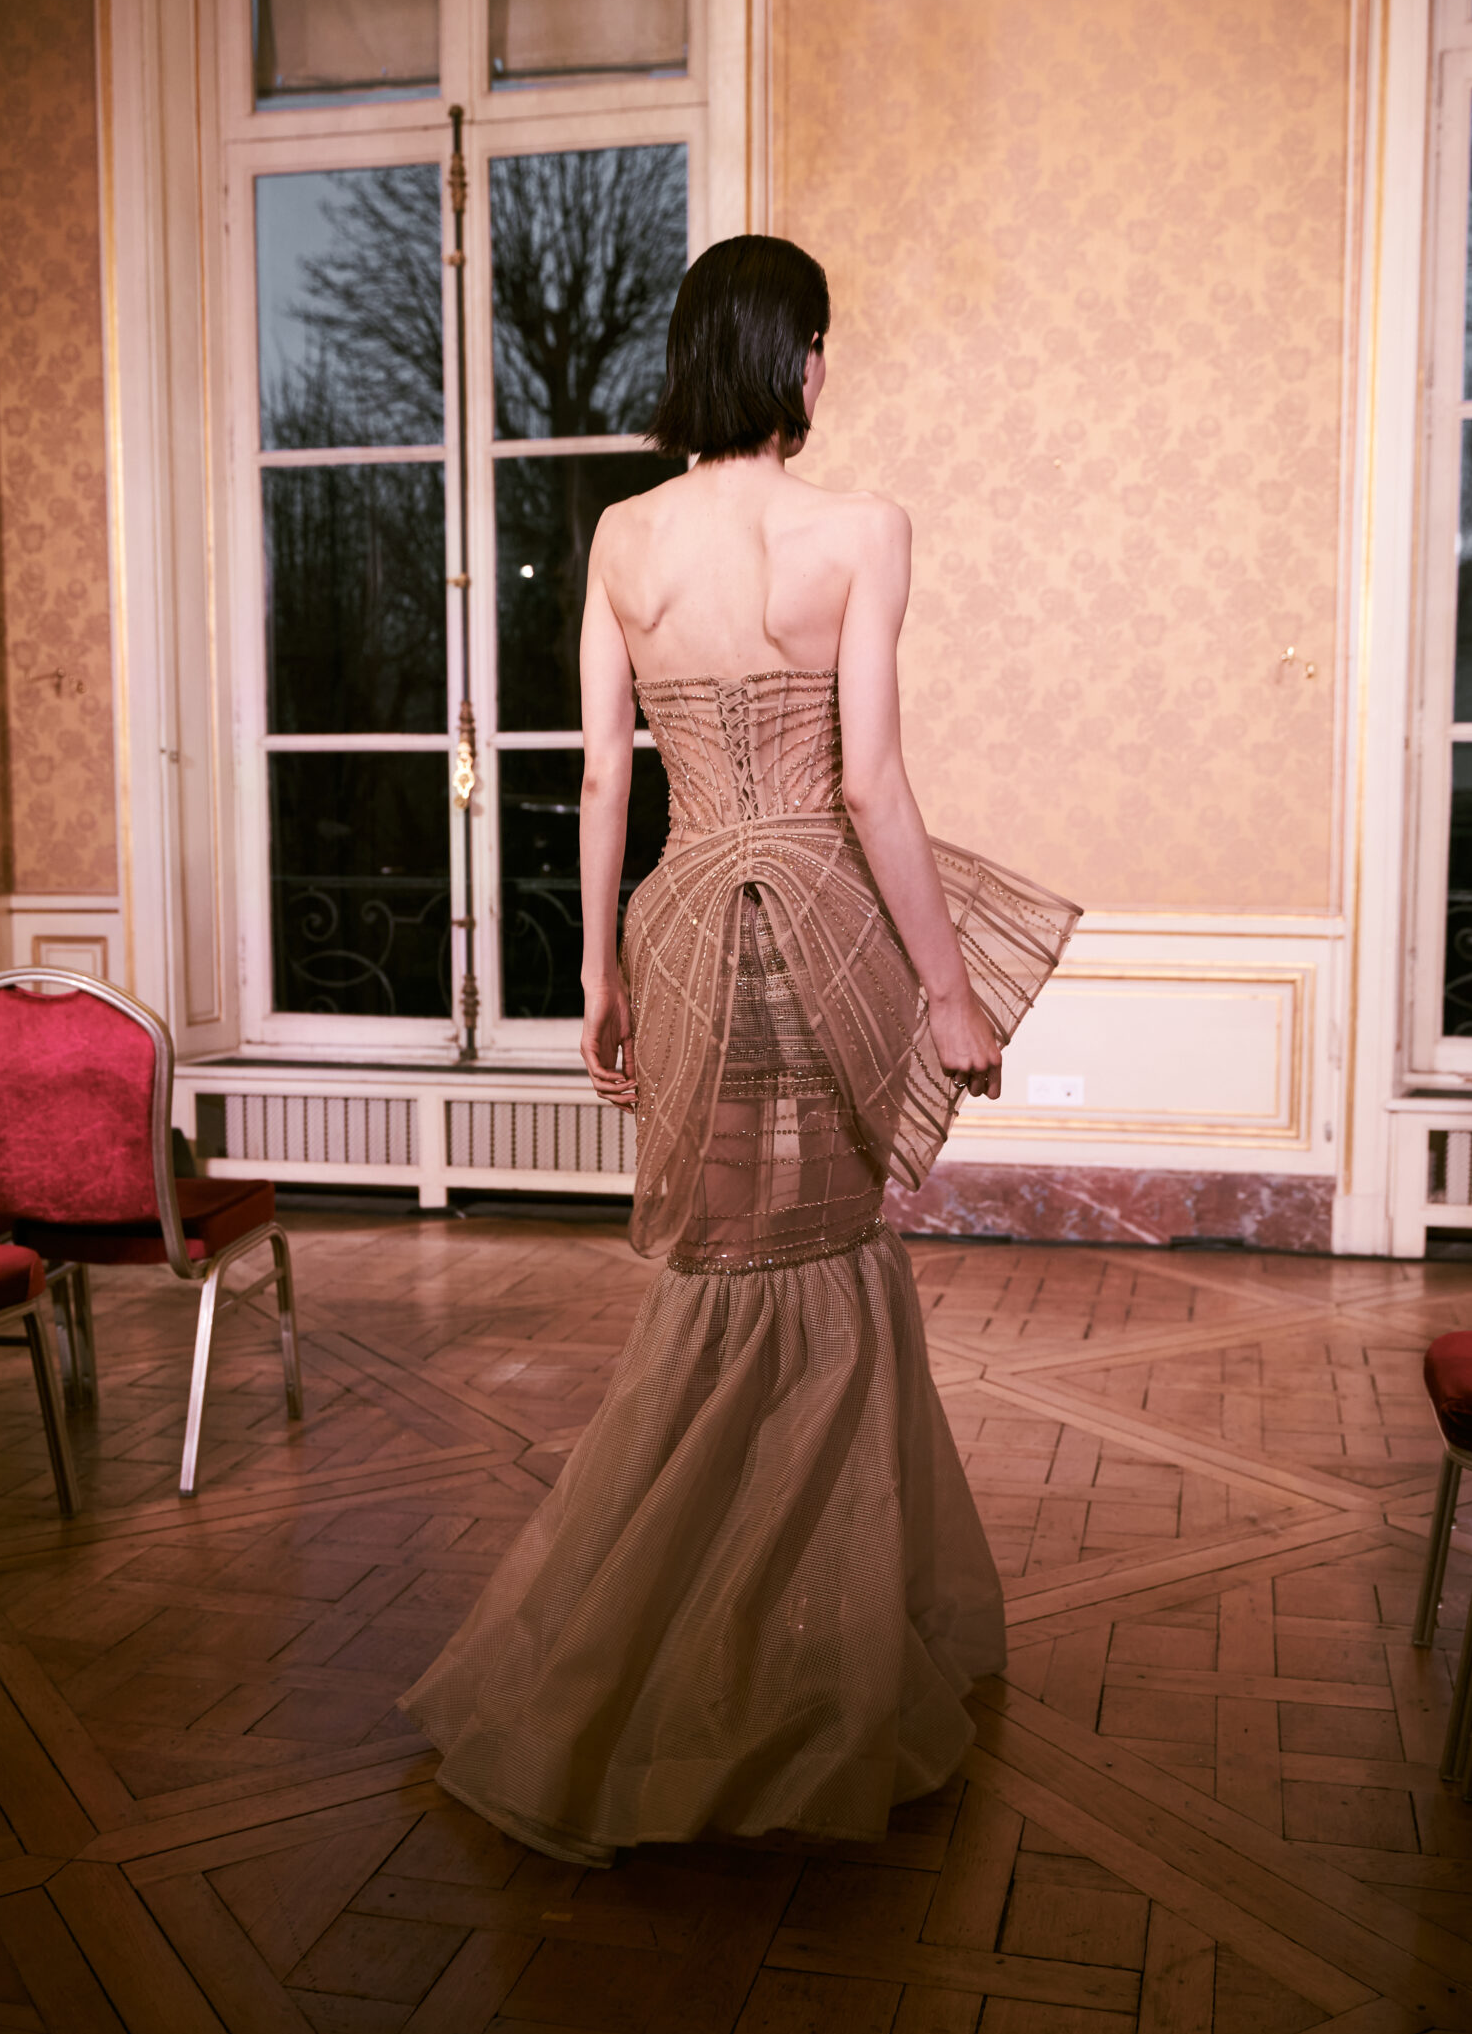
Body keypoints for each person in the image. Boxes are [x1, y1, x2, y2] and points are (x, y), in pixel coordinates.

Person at [401, 236, 1079, 1867]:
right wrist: (950, 993)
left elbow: (602, 779)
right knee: (826, 1254)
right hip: (827, 923)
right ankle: (795, 1648)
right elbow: (868, 784)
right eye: (820, 345)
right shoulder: (862, 528)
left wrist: (597, 976)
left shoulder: (623, 536)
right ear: (799, 361)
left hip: (688, 921)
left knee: (724, 1255)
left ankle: (723, 1634)